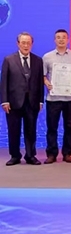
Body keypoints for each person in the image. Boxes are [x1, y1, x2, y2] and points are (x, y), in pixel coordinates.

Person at [1, 32, 44, 166]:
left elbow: (39, 82)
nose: (26, 45)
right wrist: (4, 100)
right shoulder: (9, 59)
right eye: (23, 43)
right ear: (18, 44)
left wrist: (40, 100)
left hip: (32, 102)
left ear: (32, 44)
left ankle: (30, 155)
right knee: (13, 130)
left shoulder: (38, 60)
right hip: (13, 102)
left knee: (31, 130)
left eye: (28, 43)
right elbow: (4, 82)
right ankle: (15, 156)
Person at [42, 29, 71, 164]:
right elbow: (43, 75)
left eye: (64, 37)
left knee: (69, 127)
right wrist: (46, 82)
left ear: (68, 40)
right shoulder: (47, 57)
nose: (61, 40)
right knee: (52, 127)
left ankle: (67, 153)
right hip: (53, 98)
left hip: (70, 98)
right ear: (54, 40)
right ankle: (51, 154)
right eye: (58, 37)